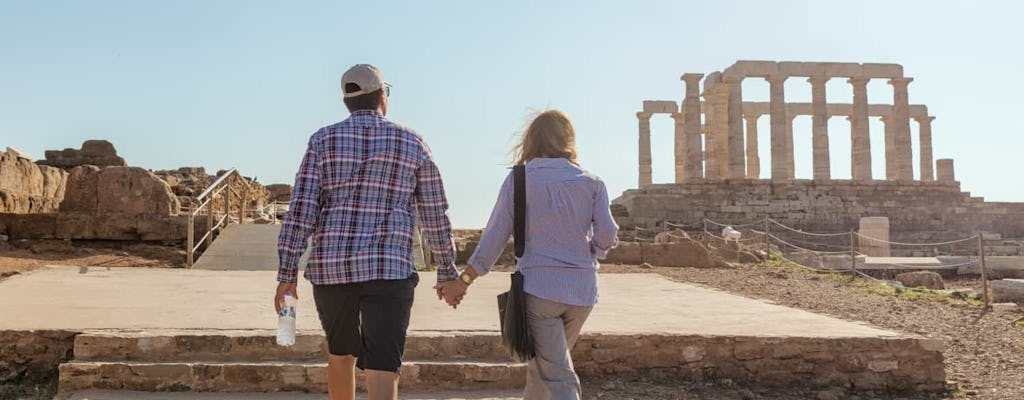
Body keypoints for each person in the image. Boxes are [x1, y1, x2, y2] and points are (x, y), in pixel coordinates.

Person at [275, 64, 459, 400]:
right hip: (389, 269)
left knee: (340, 355)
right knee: (382, 365)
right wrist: (447, 272)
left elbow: (301, 210)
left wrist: (286, 274)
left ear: (347, 101)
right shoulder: (413, 141)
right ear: (382, 96)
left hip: (332, 270)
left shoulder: (322, 140)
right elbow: (434, 213)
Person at [440, 110, 619, 400]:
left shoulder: (520, 180)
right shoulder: (592, 182)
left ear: (531, 140)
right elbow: (608, 234)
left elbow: (495, 236)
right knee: (543, 368)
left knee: (558, 377)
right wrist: (594, 253)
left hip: (540, 294)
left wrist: (465, 279)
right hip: (583, 293)